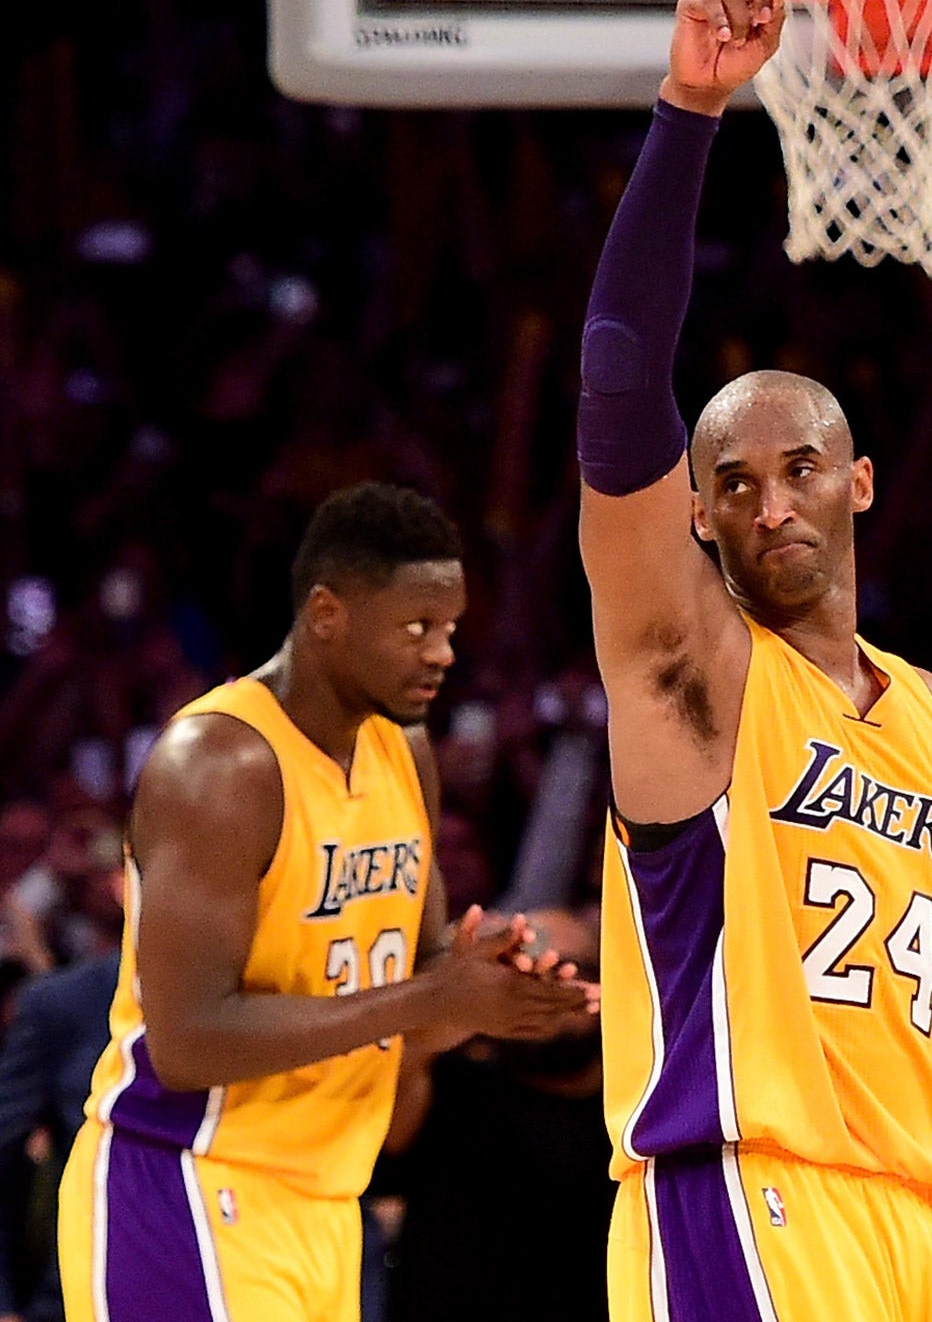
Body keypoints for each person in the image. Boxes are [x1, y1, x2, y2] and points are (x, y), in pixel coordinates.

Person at [575, 0, 932, 1322]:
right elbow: (612, 376)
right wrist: (691, 109)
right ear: (702, 517)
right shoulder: (697, 673)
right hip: (748, 1193)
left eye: (799, 469)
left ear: (862, 484)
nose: (770, 503)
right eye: (733, 484)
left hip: (924, 1231)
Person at [53, 482, 596, 1322]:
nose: (444, 653)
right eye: (417, 628)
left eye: (450, 628)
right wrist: (432, 994)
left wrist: (491, 993)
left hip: (328, 1202)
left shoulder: (404, 750)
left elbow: (411, 982)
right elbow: (187, 1041)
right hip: (190, 1182)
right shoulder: (220, 765)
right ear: (327, 614)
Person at [383, 908, 610, 1322]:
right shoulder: (454, 1081)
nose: (546, 991)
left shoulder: (640, 1119)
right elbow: (391, 1107)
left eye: (568, 970)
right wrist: (456, 992)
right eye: (526, 971)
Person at [0, 946, 118, 1322]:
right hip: (77, 1294)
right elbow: (3, 1159)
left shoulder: (281, 1000)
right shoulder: (63, 1004)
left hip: (262, 1271)